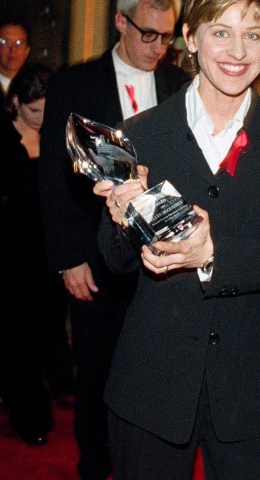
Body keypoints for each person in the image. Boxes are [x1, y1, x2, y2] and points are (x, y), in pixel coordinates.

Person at [92, 0, 260, 478]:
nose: (238, 51)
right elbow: (114, 261)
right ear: (191, 37)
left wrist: (213, 253)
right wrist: (120, 217)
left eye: (254, 35)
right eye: (221, 32)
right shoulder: (138, 135)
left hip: (253, 391)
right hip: (151, 385)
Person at [38, 0, 188, 478]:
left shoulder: (179, 85)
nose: (158, 48)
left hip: (161, 261)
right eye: (148, 34)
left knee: (154, 374)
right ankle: (95, 465)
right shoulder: (74, 83)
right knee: (97, 371)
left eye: (167, 37)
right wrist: (68, 259)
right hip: (94, 260)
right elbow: (53, 178)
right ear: (121, 22)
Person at [0, 62, 74, 446]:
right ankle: (31, 417)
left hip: (47, 251)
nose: (41, 120)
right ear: (15, 102)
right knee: (18, 335)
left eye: (47, 112)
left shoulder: (57, 138)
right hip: (9, 254)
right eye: (33, 113)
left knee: (47, 327)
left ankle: (52, 386)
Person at [0, 16, 30, 112]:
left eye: (19, 43)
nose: (13, 50)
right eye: (5, 42)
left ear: (27, 50)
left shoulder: (36, 87)